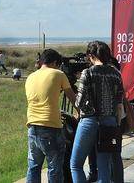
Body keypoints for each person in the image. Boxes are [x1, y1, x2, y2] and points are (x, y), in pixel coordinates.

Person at [71, 41, 124, 183]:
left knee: (75, 164)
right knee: (104, 166)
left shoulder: (87, 73)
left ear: (91, 56)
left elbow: (79, 102)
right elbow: (119, 103)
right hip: (110, 122)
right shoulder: (116, 73)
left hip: (89, 121)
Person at [25, 48, 77, 183]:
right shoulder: (58, 74)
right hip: (50, 127)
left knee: (33, 166)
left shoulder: (30, 77)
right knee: (54, 167)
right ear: (55, 62)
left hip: (32, 126)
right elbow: (73, 99)